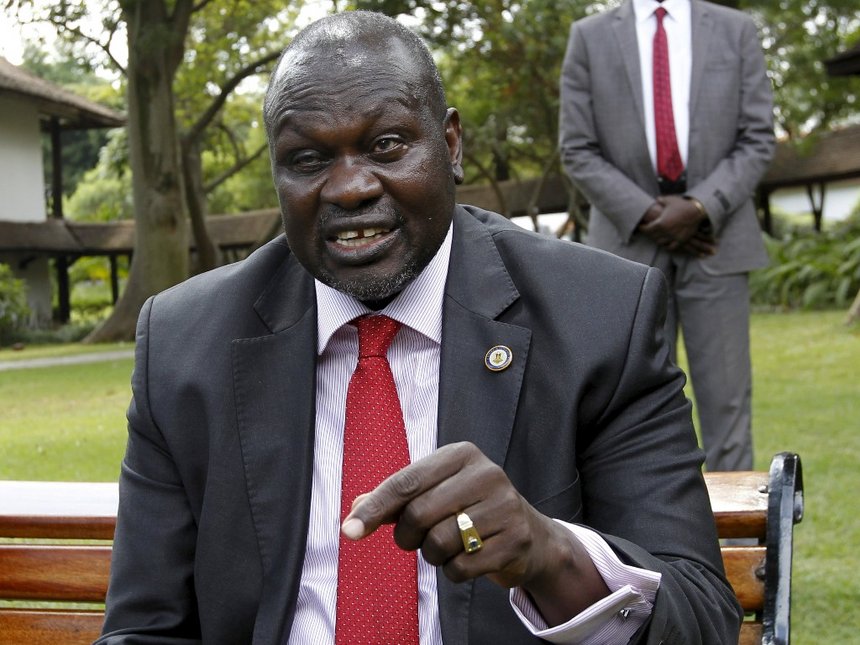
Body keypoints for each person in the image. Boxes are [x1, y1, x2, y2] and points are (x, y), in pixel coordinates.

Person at [98, 11, 741, 644]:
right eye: (306, 158)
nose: (349, 188)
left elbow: (701, 617)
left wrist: (550, 555)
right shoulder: (185, 346)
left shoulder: (601, 318)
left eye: (386, 146)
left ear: (451, 144)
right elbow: (145, 627)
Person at [559, 0, 775, 472]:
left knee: (727, 408)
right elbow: (576, 147)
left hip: (716, 242)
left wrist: (700, 207)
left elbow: (758, 136)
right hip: (625, 250)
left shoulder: (735, 30)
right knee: (626, 413)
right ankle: (646, 542)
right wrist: (649, 213)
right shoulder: (590, 36)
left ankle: (731, 540)